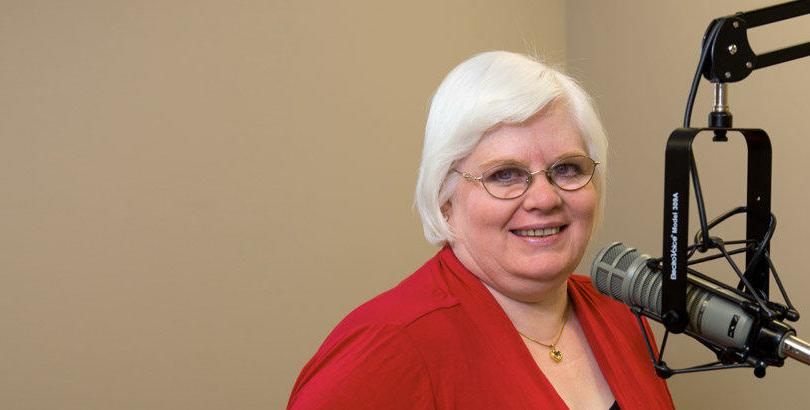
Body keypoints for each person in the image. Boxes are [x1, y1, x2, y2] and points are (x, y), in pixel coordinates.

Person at [286, 51, 674, 410]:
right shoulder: (388, 347)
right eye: (504, 174)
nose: (544, 198)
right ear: (446, 201)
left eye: (567, 168)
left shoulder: (622, 313)